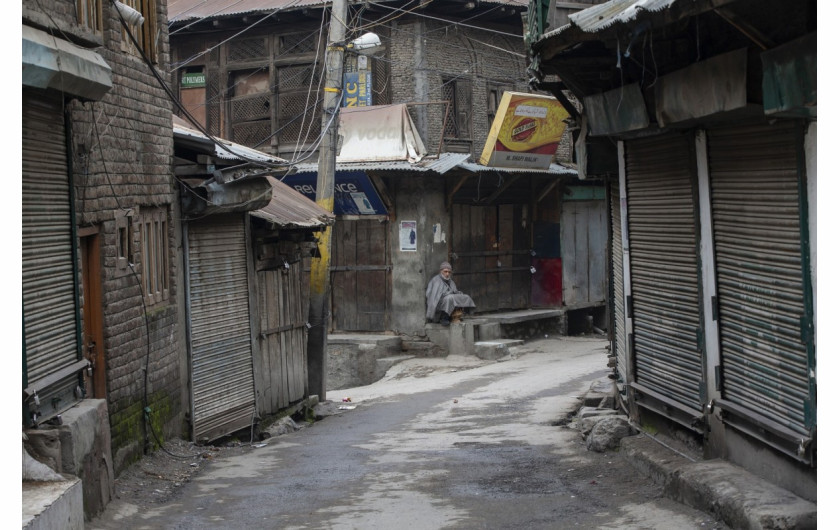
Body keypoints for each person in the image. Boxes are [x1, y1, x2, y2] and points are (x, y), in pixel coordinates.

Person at [426, 261, 476, 326]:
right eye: (445, 271)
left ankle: (457, 316)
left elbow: (455, 291)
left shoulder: (450, 281)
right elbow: (432, 296)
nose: (447, 274)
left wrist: (459, 294)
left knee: (465, 296)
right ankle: (444, 318)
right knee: (449, 298)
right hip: (438, 303)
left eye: (449, 272)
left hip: (450, 298)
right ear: (441, 271)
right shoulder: (436, 280)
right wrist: (448, 294)